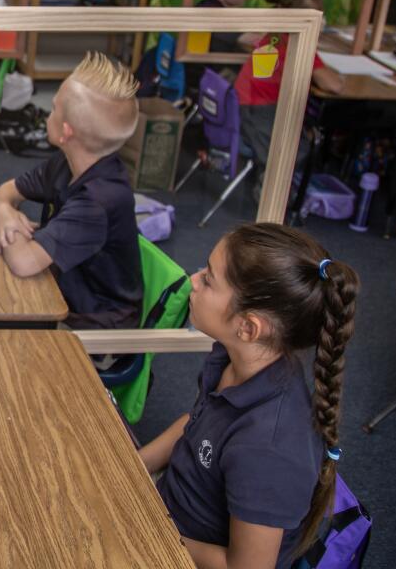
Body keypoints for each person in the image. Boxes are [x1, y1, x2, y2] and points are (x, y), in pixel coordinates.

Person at [139, 223, 356, 568]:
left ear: (248, 327)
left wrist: (148, 532)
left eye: (208, 279)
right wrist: (135, 467)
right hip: (162, 515)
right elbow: (196, 424)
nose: (193, 280)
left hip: (175, 549)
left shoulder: (270, 446)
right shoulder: (233, 358)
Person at [0, 52, 143, 331]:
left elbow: (23, 262)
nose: (48, 114)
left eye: (54, 108)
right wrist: (3, 210)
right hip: (64, 288)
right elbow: (7, 190)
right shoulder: (67, 161)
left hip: (96, 326)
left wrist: (8, 219)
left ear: (66, 132)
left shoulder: (98, 202)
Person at [236, 0, 343, 199]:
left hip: (246, 101)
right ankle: (269, 197)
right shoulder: (298, 44)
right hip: (258, 110)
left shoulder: (274, 34)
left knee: (297, 138)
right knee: (292, 152)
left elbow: (242, 39)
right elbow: (334, 86)